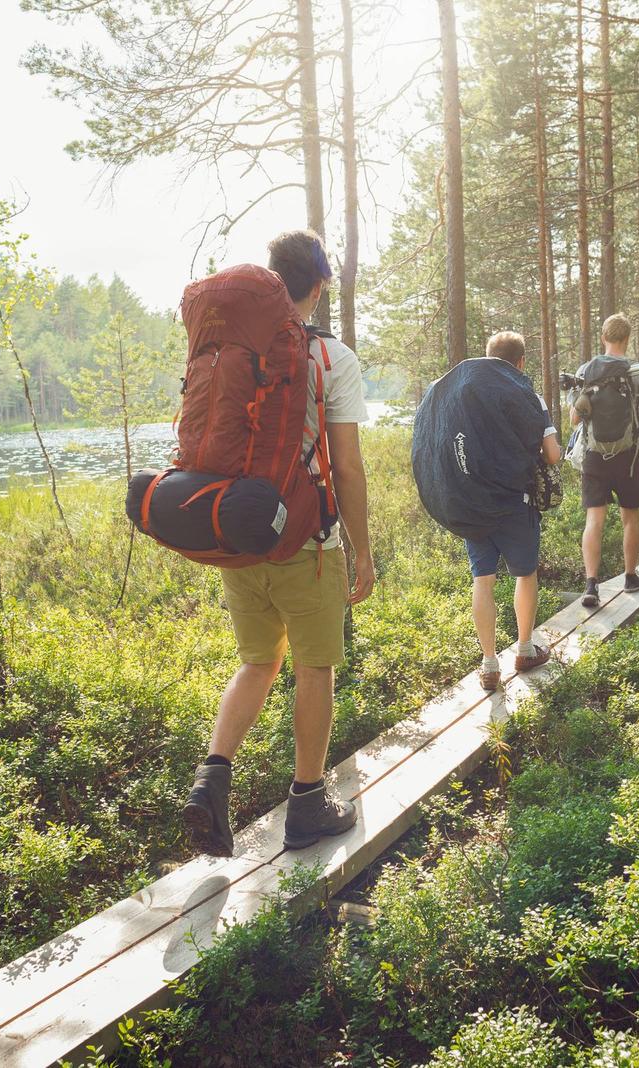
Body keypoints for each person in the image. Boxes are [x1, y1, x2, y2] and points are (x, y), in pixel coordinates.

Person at [183, 230, 376, 857]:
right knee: (313, 667)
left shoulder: (234, 347)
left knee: (258, 663)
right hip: (305, 541)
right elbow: (345, 467)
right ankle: (308, 802)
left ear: (271, 279)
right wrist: (362, 549)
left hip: (238, 535)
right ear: (319, 285)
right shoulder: (331, 357)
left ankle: (212, 778)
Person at [462, 331, 562, 692]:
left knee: (482, 579)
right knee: (525, 574)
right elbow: (551, 454)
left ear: (486, 358)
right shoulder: (529, 397)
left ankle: (489, 665)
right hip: (516, 502)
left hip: (473, 505)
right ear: (520, 363)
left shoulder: (466, 395)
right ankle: (524, 649)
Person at [571, 313, 639, 607]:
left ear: (604, 337)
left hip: (594, 456)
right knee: (629, 517)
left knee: (594, 519)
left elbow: (574, 418)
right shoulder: (636, 370)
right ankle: (631, 577)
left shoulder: (585, 370)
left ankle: (591, 585)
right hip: (629, 456)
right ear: (627, 339)